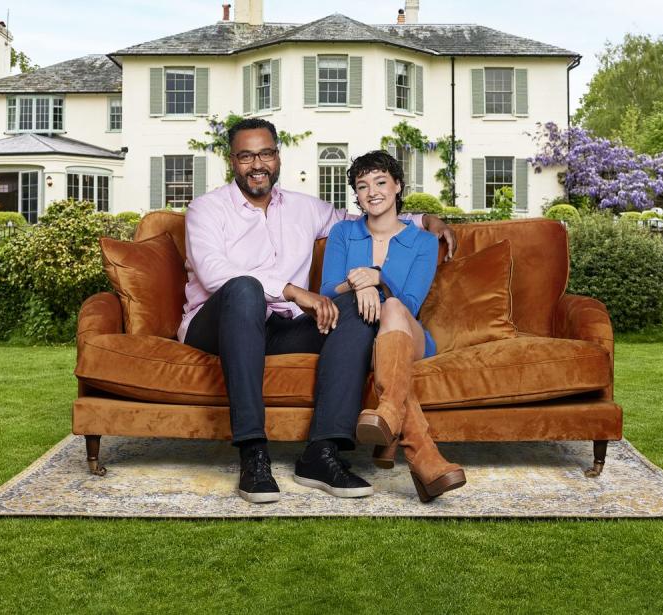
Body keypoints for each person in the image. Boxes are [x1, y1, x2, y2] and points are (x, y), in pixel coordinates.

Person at [179, 118, 457, 503]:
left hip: (280, 328)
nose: (257, 164)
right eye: (246, 156)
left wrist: (427, 220)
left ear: (277, 157)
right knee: (244, 288)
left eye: (265, 154)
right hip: (217, 323)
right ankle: (253, 453)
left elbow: (369, 215)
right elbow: (214, 275)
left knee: (361, 305)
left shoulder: (304, 207)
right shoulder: (206, 209)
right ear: (232, 161)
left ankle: (321, 453)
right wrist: (294, 291)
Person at [320, 150, 466, 503]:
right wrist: (359, 283)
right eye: (362, 185)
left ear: (398, 186)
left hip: (406, 333)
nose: (372, 191)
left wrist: (379, 279)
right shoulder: (342, 233)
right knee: (389, 356)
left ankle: (387, 414)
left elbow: (412, 303)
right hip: (359, 338)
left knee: (397, 307)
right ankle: (424, 460)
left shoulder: (423, 241)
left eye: (381, 182)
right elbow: (326, 291)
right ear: (356, 194)